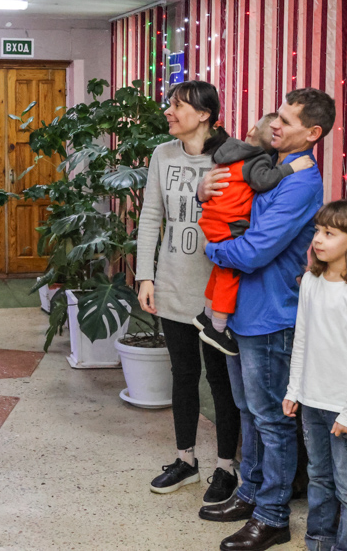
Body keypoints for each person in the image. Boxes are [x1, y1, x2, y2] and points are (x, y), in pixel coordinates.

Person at [197, 87, 334, 551]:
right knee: (249, 411)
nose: (275, 124)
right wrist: (202, 192)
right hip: (244, 308)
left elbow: (254, 250)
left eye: (288, 121)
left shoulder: (301, 183)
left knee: (272, 420)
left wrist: (213, 248)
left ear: (312, 133)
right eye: (277, 115)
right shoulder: (270, 166)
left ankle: (272, 515)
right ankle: (251, 493)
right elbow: (231, 203)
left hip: (272, 314)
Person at [137, 81, 242, 506]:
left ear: (204, 114)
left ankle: (226, 466)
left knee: (220, 380)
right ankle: (185, 460)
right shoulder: (162, 155)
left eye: (178, 105)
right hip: (173, 282)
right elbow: (151, 217)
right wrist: (146, 276)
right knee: (182, 374)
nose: (168, 111)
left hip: (218, 291)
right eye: (170, 104)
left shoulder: (231, 156)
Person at [283, 200, 347, 551]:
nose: (318, 239)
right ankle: (319, 542)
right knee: (319, 479)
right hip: (312, 403)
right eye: (317, 231)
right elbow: (302, 339)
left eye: (329, 233)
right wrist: (294, 390)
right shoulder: (311, 282)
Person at [195, 111, 314, 355]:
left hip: (213, 221)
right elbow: (263, 182)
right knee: (228, 274)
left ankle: (206, 315)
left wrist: (201, 197)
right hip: (230, 227)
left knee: (219, 272)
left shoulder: (231, 152)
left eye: (285, 122)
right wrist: (291, 168)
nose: (278, 128)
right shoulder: (258, 160)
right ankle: (216, 328)